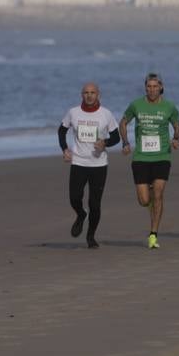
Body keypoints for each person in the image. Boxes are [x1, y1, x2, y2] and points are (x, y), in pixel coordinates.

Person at [119, 73, 179, 249]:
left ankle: (153, 233)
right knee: (144, 200)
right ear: (145, 87)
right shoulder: (136, 105)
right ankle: (150, 204)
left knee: (159, 193)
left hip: (162, 156)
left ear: (161, 87)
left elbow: (177, 126)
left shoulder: (169, 106)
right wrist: (125, 142)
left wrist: (176, 138)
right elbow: (123, 123)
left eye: (155, 86)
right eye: (149, 86)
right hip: (141, 157)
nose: (152, 89)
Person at [59, 83, 119, 249]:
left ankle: (91, 236)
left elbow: (116, 137)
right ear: (81, 95)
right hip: (78, 162)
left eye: (92, 92)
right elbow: (61, 131)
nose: (89, 95)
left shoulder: (106, 114)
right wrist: (65, 149)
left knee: (95, 204)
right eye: (86, 93)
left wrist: (105, 142)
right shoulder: (73, 113)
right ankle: (80, 214)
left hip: (99, 165)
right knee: (74, 198)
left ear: (98, 94)